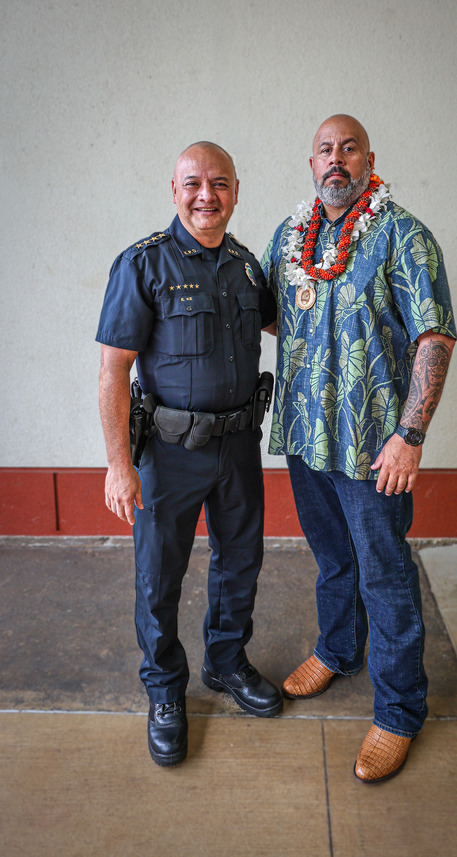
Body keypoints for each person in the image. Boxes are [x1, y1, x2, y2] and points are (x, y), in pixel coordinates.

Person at [261, 115, 457, 783]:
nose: (335, 159)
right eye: (324, 149)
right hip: (306, 437)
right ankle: (337, 648)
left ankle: (399, 709)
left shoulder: (404, 235)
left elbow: (433, 338)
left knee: (384, 573)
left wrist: (409, 435)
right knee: (331, 558)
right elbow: (271, 311)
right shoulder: (289, 238)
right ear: (310, 163)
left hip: (374, 447)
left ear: (368, 158)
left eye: (347, 148)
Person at [96, 142, 282, 767]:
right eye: (194, 183)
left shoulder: (250, 268)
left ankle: (226, 664)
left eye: (220, 183)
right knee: (160, 576)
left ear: (237, 190)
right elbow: (113, 370)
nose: (208, 195)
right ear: (173, 190)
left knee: (241, 564)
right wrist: (119, 463)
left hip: (238, 449)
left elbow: (290, 327)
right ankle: (165, 691)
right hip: (169, 454)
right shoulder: (142, 264)